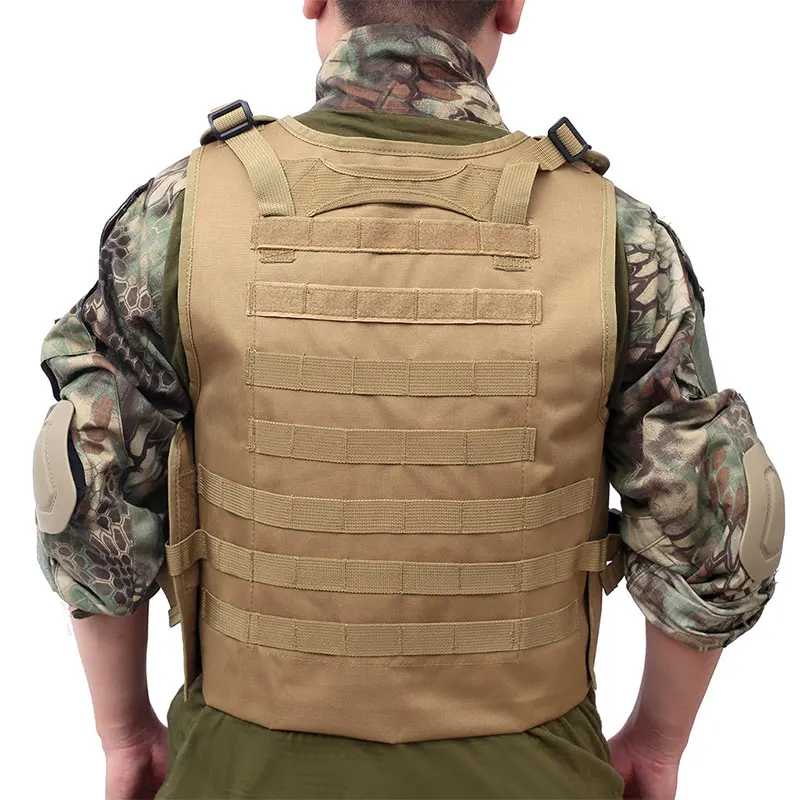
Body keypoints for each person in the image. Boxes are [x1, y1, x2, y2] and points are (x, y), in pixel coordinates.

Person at [32, 1, 784, 798]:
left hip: (235, 772)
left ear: (314, 0)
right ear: (511, 8)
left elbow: (84, 480)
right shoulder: (615, 237)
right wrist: (657, 745)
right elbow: (719, 521)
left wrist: (124, 734)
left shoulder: (186, 213)